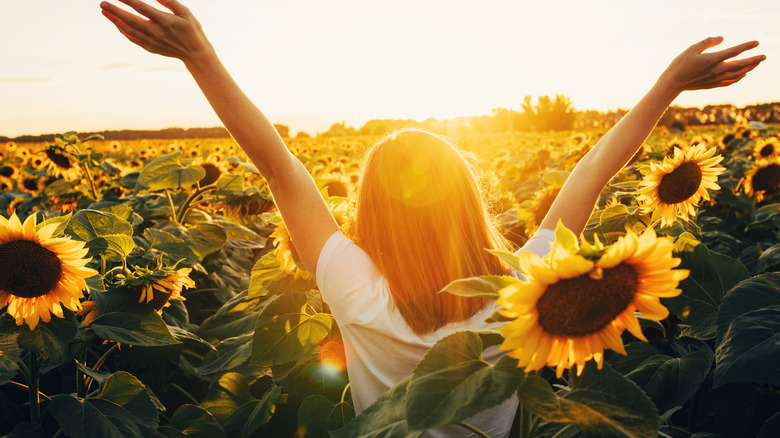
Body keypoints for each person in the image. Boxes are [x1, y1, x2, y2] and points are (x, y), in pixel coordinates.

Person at [99, 1, 764, 436]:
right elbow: (593, 171)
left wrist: (201, 57)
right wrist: (666, 86)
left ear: (371, 211)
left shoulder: (354, 288)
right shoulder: (520, 291)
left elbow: (278, 167)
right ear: (468, 198)